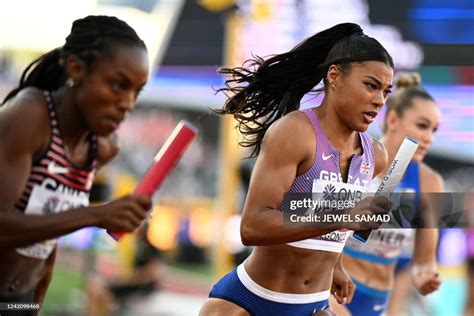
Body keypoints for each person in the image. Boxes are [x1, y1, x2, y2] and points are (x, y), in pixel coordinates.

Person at [199, 22, 394, 316]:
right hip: (251, 302)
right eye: (371, 85)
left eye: (386, 91)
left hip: (312, 305)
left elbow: (332, 222)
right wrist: (342, 217)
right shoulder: (294, 133)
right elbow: (252, 226)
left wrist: (336, 265)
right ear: (334, 76)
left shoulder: (375, 155)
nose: (379, 100)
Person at [0, 15, 152, 314]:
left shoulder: (103, 147)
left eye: (136, 91)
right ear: (76, 69)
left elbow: (47, 236)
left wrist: (35, 300)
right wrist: (95, 215)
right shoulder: (31, 114)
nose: (128, 103)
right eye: (118, 85)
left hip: (20, 300)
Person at [330, 72, 443, 316]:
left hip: (379, 300)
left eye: (434, 130)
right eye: (422, 126)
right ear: (392, 120)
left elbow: (424, 260)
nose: (429, 138)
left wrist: (425, 275)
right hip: (333, 292)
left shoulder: (429, 182)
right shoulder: (351, 161)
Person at [85, 223, 162, 316]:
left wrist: (128, 279)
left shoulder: (151, 249)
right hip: (128, 282)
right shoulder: (132, 246)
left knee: (102, 293)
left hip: (139, 287)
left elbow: (150, 274)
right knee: (94, 287)